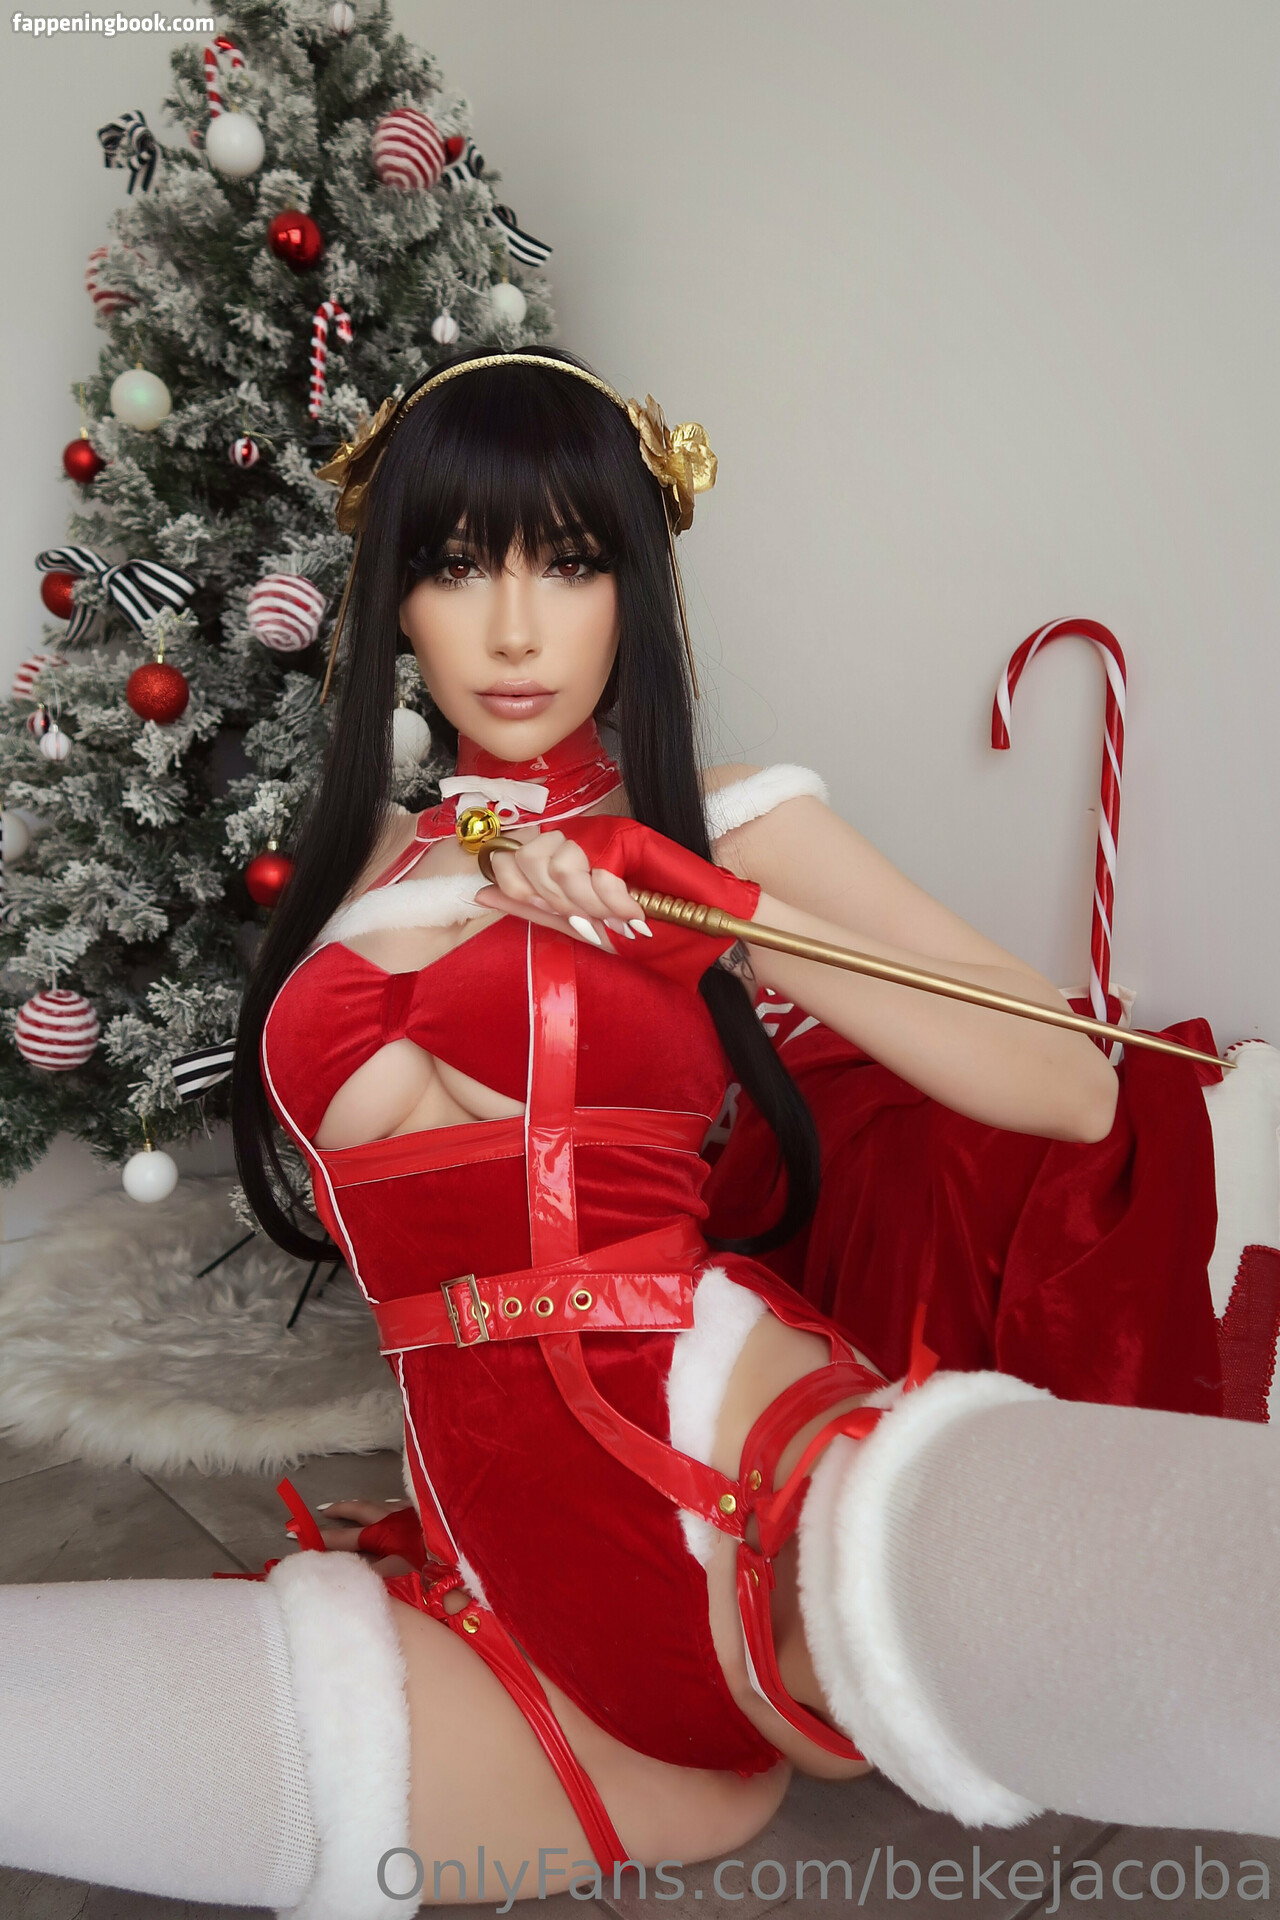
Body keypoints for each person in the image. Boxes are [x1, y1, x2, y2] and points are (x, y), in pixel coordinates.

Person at [1, 346, 1278, 1920]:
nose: (515, 629)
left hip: (755, 1472)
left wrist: (717, 912)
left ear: (634, 592)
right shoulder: (370, 862)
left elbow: (1073, 1086)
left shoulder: (727, 819)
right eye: (456, 567)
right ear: (394, 602)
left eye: (570, 561)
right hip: (503, 1594)